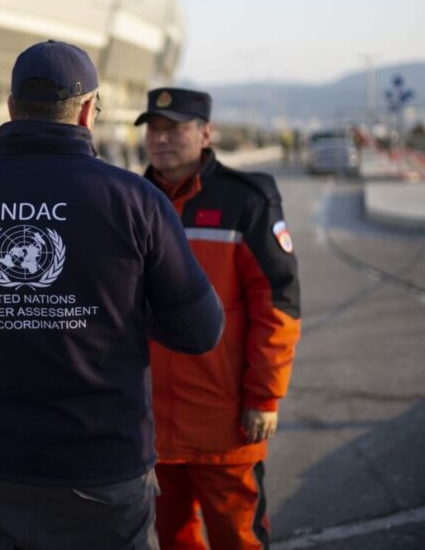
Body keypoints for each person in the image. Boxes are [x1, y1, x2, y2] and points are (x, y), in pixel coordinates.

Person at [0, 40, 225, 550]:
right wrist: (123, 311)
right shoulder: (137, 200)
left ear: (11, 107)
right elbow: (200, 332)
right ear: (88, 111)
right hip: (105, 470)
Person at [135, 88, 302, 550]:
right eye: (154, 128)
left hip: (225, 421)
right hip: (151, 427)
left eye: (175, 127)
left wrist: (265, 396)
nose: (160, 138)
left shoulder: (244, 201)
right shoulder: (131, 198)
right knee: (173, 538)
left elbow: (278, 303)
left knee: (238, 539)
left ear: (206, 133)